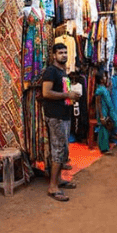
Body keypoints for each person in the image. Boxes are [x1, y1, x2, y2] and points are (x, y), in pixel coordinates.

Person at [42, 43, 81, 202]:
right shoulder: (51, 71)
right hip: (55, 116)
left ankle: (58, 180)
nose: (64, 55)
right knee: (58, 150)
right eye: (60, 52)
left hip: (64, 114)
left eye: (65, 52)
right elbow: (46, 92)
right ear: (53, 55)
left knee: (63, 149)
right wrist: (67, 95)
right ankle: (52, 187)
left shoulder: (62, 72)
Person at [94, 71, 117, 155]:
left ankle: (105, 146)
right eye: (104, 77)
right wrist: (101, 116)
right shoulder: (99, 90)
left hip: (106, 111)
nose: (105, 78)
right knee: (103, 129)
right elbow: (98, 103)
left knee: (106, 129)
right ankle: (104, 149)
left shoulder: (103, 88)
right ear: (101, 80)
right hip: (102, 112)